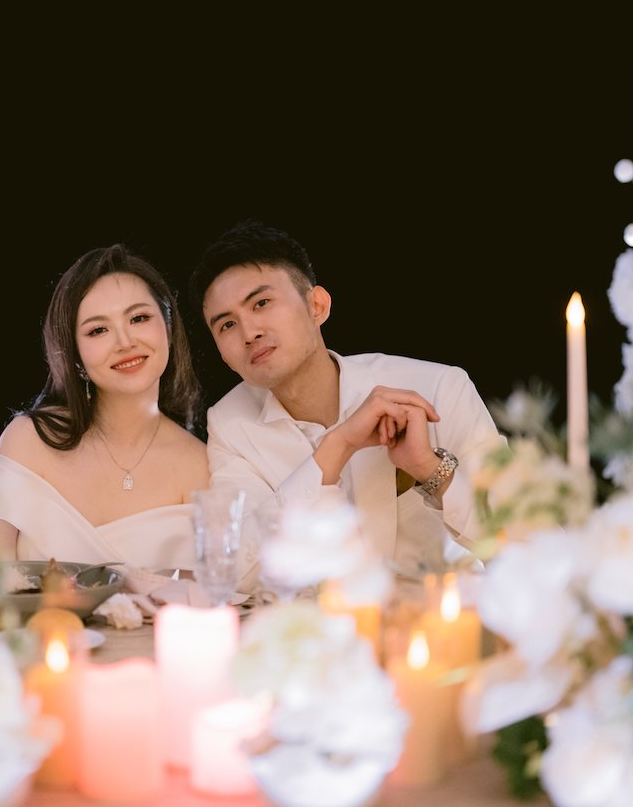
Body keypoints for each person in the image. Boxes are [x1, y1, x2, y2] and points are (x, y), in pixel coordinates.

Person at [188, 219, 506, 575]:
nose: (249, 332)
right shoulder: (229, 424)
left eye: (261, 303)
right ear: (221, 353)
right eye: (227, 325)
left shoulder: (436, 387)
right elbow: (236, 571)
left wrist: (430, 470)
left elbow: (530, 543)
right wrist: (334, 450)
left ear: (317, 306)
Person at [0, 245, 210, 574]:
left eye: (139, 318)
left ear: (169, 328)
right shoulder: (30, 440)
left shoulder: (198, 464)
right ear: (75, 358)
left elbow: (203, 598)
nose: (124, 342)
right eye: (98, 330)